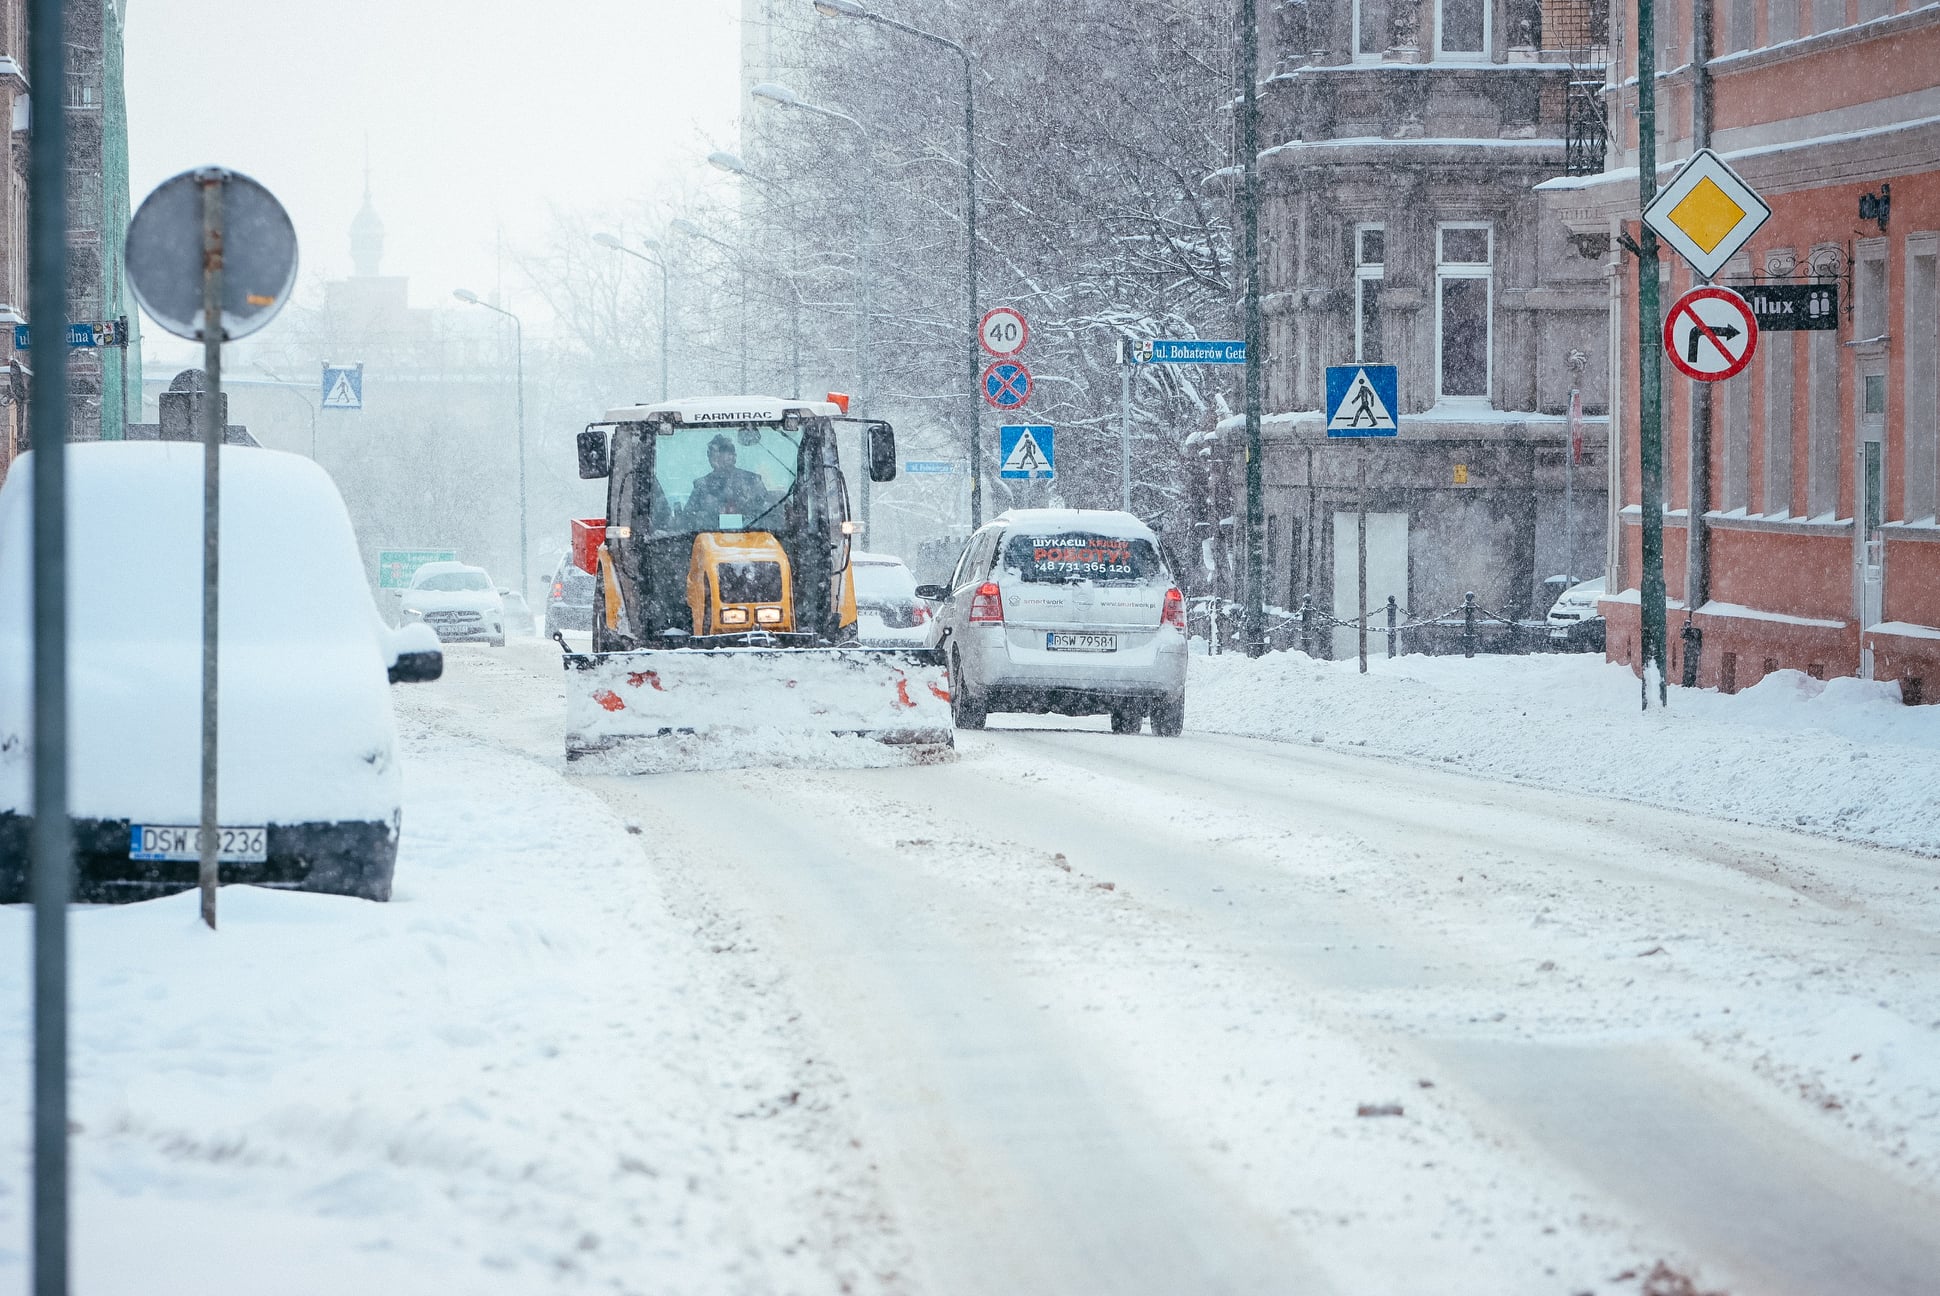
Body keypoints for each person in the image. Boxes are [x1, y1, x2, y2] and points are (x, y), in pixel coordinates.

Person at [685, 434, 770, 529]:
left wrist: (745, 506)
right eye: (711, 454)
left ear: (733, 456)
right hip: (710, 538)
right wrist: (707, 515)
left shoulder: (753, 481)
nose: (715, 457)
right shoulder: (701, 485)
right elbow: (688, 519)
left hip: (753, 538)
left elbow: (767, 514)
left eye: (721, 452)